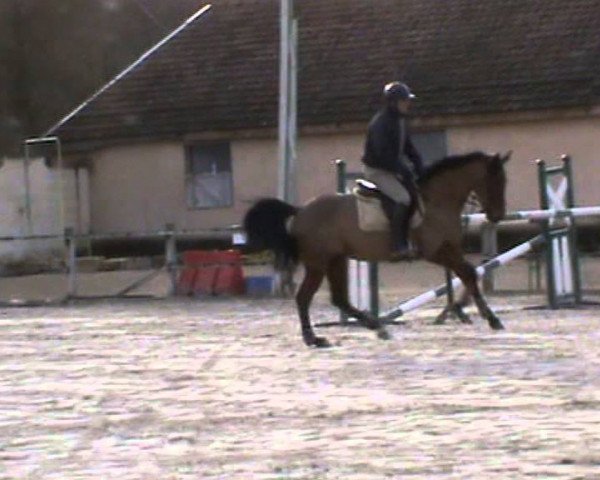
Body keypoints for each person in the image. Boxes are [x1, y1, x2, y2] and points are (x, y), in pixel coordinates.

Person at [361, 81, 425, 254]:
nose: (407, 104)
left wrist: (420, 166)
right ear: (393, 103)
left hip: (392, 168)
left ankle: (412, 240)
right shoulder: (380, 124)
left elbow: (409, 148)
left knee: (415, 192)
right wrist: (403, 170)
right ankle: (397, 245)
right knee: (403, 198)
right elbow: (383, 155)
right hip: (378, 171)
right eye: (404, 101)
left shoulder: (400, 122)